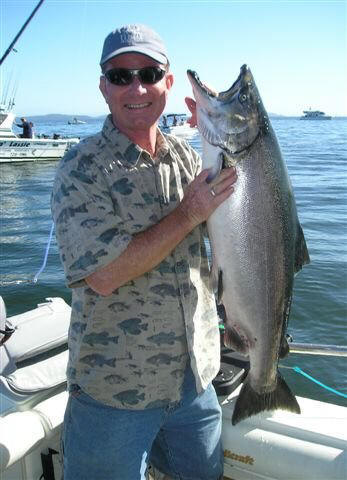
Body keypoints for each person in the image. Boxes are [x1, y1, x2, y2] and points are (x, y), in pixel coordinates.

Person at [51, 23, 237, 480]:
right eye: (121, 76)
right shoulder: (81, 168)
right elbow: (105, 274)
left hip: (196, 382)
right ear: (103, 87)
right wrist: (189, 212)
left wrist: (222, 140)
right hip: (115, 393)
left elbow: (234, 229)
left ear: (168, 85)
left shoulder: (189, 157)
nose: (137, 87)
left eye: (150, 74)